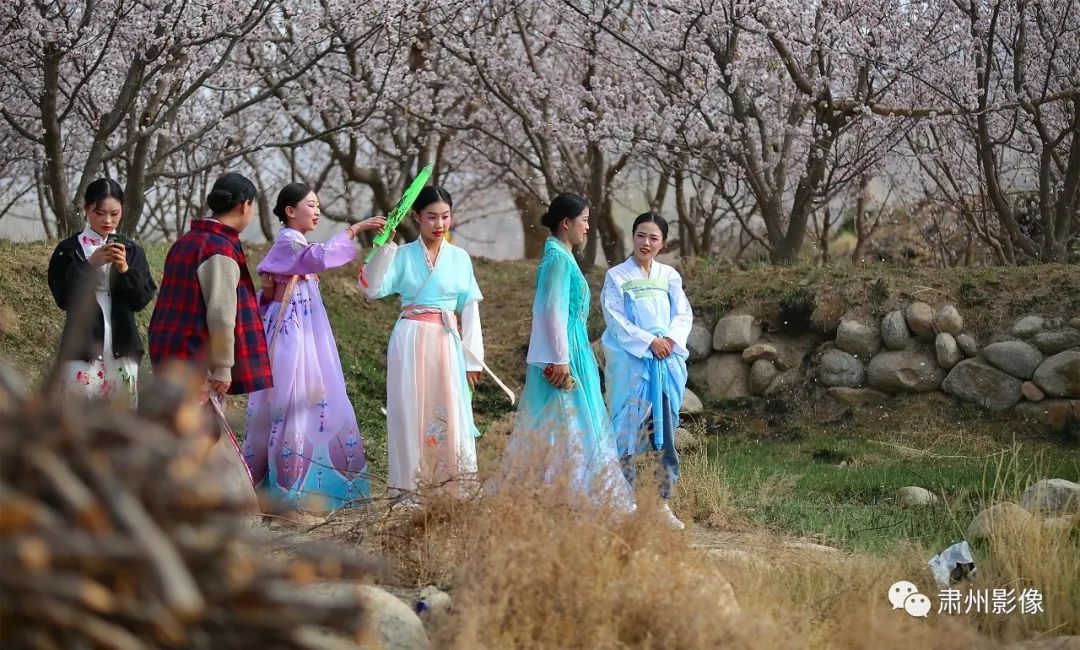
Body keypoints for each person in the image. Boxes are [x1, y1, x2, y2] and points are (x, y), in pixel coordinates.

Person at [241, 183, 386, 512]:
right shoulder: (289, 243)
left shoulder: (295, 247)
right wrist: (356, 228)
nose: (317, 211)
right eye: (311, 205)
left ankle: (304, 486)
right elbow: (318, 258)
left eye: (318, 205)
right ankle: (289, 491)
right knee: (293, 402)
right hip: (292, 337)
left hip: (303, 334)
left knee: (308, 400)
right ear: (291, 212)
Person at [362, 185, 501, 502]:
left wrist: (472, 360)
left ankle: (453, 491)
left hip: (447, 341)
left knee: (449, 410)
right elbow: (372, 289)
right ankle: (411, 491)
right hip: (410, 338)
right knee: (411, 409)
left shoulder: (460, 258)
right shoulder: (402, 255)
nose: (439, 224)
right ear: (416, 217)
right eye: (431, 217)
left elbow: (470, 308)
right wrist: (384, 247)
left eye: (445, 216)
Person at [503, 192, 634, 512]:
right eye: (584, 221)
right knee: (566, 418)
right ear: (566, 223)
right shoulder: (558, 260)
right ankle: (562, 492)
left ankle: (569, 490)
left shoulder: (563, 254)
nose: (588, 227)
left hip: (573, 348)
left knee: (571, 419)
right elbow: (551, 311)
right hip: (565, 351)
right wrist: (559, 359)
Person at [601, 212, 692, 529]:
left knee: (665, 431)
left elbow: (682, 315)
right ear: (632, 236)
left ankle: (661, 503)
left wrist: (667, 340)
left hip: (664, 365)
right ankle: (623, 501)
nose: (646, 243)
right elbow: (615, 321)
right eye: (641, 235)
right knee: (625, 432)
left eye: (654, 238)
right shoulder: (617, 277)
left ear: (663, 242)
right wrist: (649, 341)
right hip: (632, 366)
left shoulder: (669, 276)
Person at [149, 172, 272, 400]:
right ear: (245, 205)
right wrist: (223, 367)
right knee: (197, 431)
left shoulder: (186, 241)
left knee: (170, 427)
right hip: (196, 357)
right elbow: (221, 315)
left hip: (168, 349)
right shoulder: (220, 249)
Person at [48, 178, 157, 403]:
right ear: (86, 209)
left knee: (121, 418)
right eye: (99, 213)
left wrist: (125, 270)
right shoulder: (68, 250)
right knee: (77, 416)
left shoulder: (132, 250)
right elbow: (64, 298)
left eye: (114, 213)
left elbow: (141, 299)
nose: (108, 220)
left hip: (122, 343)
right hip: (82, 345)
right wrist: (89, 265)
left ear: (122, 211)